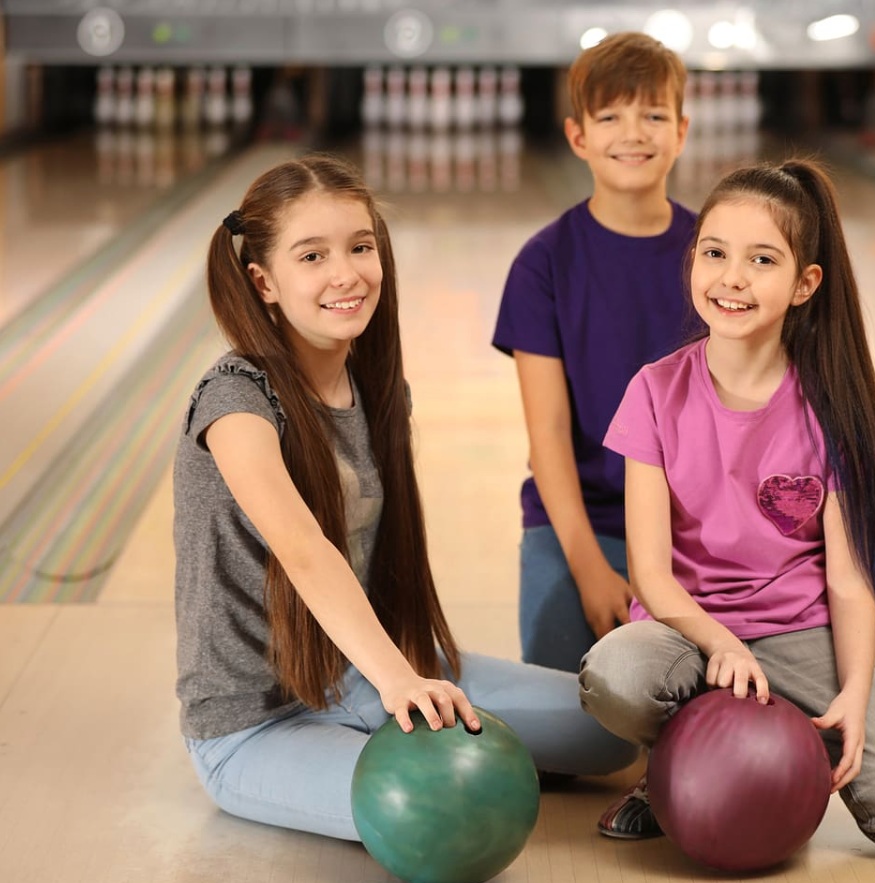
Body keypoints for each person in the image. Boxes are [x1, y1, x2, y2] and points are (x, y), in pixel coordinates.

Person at [174, 154, 637, 841]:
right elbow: (305, 549)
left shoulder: (375, 388)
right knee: (448, 811)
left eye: (361, 246)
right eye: (312, 256)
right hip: (255, 722)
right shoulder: (236, 402)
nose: (346, 273)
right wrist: (399, 682)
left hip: (370, 670)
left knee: (614, 728)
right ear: (263, 280)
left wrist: (400, 671)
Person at [579, 161, 875, 855]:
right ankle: (669, 768)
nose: (733, 278)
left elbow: (849, 580)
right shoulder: (655, 390)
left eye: (762, 260)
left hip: (797, 633)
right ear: (692, 261)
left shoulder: (833, 409)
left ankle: (778, 755)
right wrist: (719, 640)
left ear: (804, 284)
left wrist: (853, 691)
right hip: (685, 635)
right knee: (616, 675)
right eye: (716, 254)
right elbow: (650, 575)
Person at [493, 32, 696, 673]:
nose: (633, 133)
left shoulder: (715, 254)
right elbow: (548, 435)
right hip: (579, 523)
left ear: (682, 131)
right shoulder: (544, 264)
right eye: (610, 116)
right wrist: (587, 569)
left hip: (693, 531)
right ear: (578, 137)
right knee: (579, 735)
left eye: (654, 115)